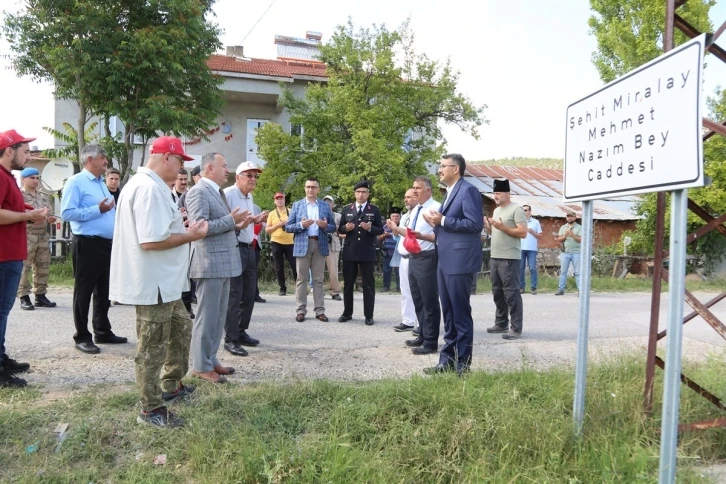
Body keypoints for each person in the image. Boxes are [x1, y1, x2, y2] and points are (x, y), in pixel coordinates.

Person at [109, 136, 208, 428]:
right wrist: (190, 236)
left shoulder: (154, 187)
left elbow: (162, 229)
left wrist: (184, 228)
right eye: (180, 161)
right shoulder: (148, 189)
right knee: (152, 347)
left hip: (165, 282)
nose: (181, 170)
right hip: (153, 283)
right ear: (166, 157)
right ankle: (150, 409)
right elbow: (151, 241)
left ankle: (171, 386)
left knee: (180, 328)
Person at [186, 152, 248, 382]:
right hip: (209, 263)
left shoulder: (216, 192)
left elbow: (219, 225)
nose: (227, 170)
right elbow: (200, 227)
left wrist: (237, 224)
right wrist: (231, 220)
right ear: (210, 168)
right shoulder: (198, 192)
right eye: (224, 165)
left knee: (218, 317)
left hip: (222, 263)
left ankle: (211, 360)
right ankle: (200, 366)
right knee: (207, 317)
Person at [61, 145, 127, 354]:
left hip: (107, 244)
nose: (105, 161)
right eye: (102, 157)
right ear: (90, 159)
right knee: (84, 291)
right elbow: (67, 213)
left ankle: (102, 330)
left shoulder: (101, 183)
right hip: (87, 243)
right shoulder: (76, 182)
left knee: (104, 290)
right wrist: (97, 209)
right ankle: (81, 335)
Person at [421, 154, 482, 375]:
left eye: (443, 166)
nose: (439, 170)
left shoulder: (468, 190)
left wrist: (443, 220)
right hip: (445, 260)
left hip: (460, 261)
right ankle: (445, 362)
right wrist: (436, 223)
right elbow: (450, 226)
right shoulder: (449, 193)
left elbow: (475, 224)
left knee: (460, 314)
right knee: (448, 314)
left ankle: (462, 366)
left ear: (455, 169)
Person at [0, 129, 47, 388]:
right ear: (10, 151)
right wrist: (27, 216)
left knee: (3, 312)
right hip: (3, 256)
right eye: (26, 151)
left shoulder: (7, 176)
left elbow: (13, 206)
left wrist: (33, 211)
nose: (29, 157)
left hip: (10, 255)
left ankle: (1, 358)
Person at [223, 161, 268, 357]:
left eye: (255, 176)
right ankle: (230, 339)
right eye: (249, 175)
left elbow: (247, 223)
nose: (253, 179)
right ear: (238, 177)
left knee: (249, 293)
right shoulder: (228, 194)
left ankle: (241, 331)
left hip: (249, 248)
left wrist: (256, 221)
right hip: (234, 247)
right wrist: (242, 223)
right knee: (234, 294)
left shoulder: (249, 196)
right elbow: (224, 223)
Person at [285, 177, 336, 323]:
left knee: (318, 280)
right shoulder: (297, 205)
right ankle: (300, 310)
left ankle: (320, 310)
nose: (310, 190)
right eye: (308, 187)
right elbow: (288, 226)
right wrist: (301, 225)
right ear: (304, 188)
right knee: (301, 278)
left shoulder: (325, 206)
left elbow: (333, 227)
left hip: (319, 244)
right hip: (302, 244)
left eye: (313, 187)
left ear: (318, 189)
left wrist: (325, 226)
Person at [484, 179, 528, 340]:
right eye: (494, 193)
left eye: (498, 193)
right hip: (495, 256)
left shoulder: (517, 209)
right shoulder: (496, 211)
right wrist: (488, 227)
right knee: (497, 293)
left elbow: (523, 233)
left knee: (511, 293)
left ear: (507, 194)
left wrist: (502, 227)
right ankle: (501, 323)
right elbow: (495, 233)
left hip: (509, 258)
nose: (495, 196)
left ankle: (516, 328)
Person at [403, 176, 442, 355]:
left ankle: (431, 342)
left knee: (429, 301)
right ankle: (423, 334)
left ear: (428, 190)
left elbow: (440, 237)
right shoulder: (416, 209)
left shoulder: (436, 208)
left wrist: (422, 237)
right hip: (414, 257)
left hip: (428, 258)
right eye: (413, 187)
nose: (415, 191)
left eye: (418, 188)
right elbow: (411, 233)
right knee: (417, 298)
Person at [337, 180, 384, 326]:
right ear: (354, 193)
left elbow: (380, 230)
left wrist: (370, 228)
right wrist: (347, 228)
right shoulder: (347, 209)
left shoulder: (374, 209)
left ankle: (369, 315)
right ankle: (347, 313)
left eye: (363, 192)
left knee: (368, 284)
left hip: (367, 251)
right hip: (350, 251)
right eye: (358, 192)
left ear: (368, 194)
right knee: (348, 284)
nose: (360, 194)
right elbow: (340, 229)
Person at [17, 167, 57, 311]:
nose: (35, 181)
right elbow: (16, 216)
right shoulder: (18, 195)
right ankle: (24, 296)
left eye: (37, 178)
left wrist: (50, 219)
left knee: (43, 266)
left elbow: (49, 215)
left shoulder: (44, 196)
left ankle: (40, 295)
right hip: (26, 235)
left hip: (42, 235)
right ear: (23, 179)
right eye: (32, 178)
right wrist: (31, 220)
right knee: (24, 267)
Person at [389, 188, 418, 333]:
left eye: (409, 197)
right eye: (405, 197)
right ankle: (408, 320)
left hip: (416, 257)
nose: (406, 200)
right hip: (403, 257)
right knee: (405, 291)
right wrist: (395, 231)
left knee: (417, 291)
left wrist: (398, 229)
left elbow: (412, 235)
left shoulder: (419, 213)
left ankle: (420, 322)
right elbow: (400, 237)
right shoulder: (405, 215)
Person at [266, 192, 297, 296]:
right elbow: (268, 230)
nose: (279, 200)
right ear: (275, 201)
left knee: (295, 265)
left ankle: (299, 287)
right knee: (279, 266)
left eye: (281, 198)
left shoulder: (291, 212)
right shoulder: (272, 213)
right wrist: (278, 225)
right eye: (277, 199)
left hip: (290, 242)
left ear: (284, 200)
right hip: (276, 242)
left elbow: (296, 225)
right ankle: (282, 288)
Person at [555, 212, 582, 296]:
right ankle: (561, 289)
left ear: (575, 218)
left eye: (571, 216)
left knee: (577, 272)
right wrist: (565, 235)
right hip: (565, 252)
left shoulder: (579, 227)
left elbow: (580, 240)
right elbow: (559, 239)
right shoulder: (563, 227)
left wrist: (573, 235)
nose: (569, 218)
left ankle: (580, 290)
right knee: (563, 272)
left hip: (576, 252)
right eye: (568, 216)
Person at [323, 195, 343, 301]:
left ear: (333, 204)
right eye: (325, 202)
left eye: (329, 202)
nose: (327, 204)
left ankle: (335, 292)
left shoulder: (338, 216)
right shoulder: (319, 214)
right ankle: (318, 292)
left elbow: (342, 230)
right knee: (318, 270)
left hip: (333, 244)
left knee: (333, 270)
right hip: (320, 243)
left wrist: (333, 226)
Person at [519, 204, 542, 295]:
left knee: (532, 268)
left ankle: (533, 287)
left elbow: (540, 235)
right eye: (522, 210)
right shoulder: (519, 222)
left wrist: (532, 232)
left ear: (529, 212)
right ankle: (521, 287)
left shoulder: (536, 222)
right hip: (520, 248)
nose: (524, 212)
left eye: (525, 210)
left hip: (532, 249)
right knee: (520, 268)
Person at [379, 208, 401, 293]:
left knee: (399, 271)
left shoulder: (402, 226)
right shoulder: (385, 226)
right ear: (390, 217)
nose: (395, 218)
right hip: (387, 251)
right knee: (386, 270)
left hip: (399, 252)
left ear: (400, 217)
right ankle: (386, 287)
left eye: (397, 216)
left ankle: (399, 287)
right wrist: (385, 235)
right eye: (393, 216)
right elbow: (378, 238)